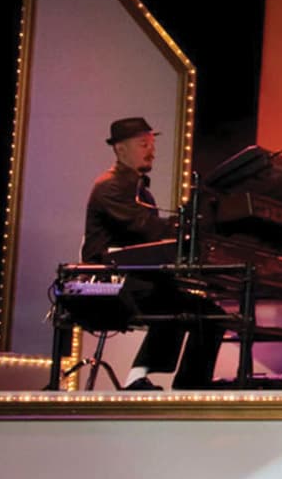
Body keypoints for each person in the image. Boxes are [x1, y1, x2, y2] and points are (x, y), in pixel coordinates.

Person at [82, 116, 215, 390]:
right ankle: (139, 379)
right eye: (144, 144)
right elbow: (146, 229)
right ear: (121, 149)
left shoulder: (140, 190)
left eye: (152, 144)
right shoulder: (111, 186)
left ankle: (190, 386)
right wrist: (188, 225)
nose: (152, 150)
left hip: (136, 277)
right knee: (176, 302)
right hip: (109, 282)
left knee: (208, 312)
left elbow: (151, 239)